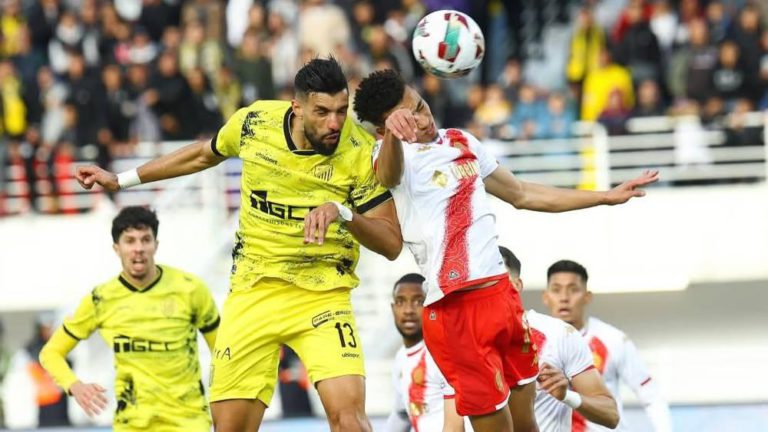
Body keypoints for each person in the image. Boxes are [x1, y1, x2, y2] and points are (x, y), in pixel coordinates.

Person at [75, 57, 402, 432]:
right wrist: (121, 180)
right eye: (322, 112)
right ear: (297, 107)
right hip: (252, 293)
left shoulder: (358, 149)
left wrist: (342, 213)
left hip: (323, 297)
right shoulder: (255, 123)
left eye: (342, 111)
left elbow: (391, 243)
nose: (335, 123)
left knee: (350, 421)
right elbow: (202, 154)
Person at [352, 69, 658, 432]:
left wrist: (604, 196)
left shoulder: (461, 141)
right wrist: (394, 136)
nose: (422, 118)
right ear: (383, 130)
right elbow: (387, 175)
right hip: (455, 311)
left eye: (419, 106)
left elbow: (522, 194)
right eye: (408, 118)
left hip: (501, 296)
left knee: (527, 425)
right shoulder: (389, 157)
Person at [38, 206, 221, 431]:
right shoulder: (102, 299)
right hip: (132, 425)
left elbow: (222, 352)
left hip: (189, 422)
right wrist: (74, 385)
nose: (139, 248)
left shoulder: (190, 289)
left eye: (145, 240)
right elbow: (51, 353)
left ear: (156, 245)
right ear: (117, 248)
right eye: (130, 241)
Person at [542, 260, 673, 432]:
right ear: (546, 297)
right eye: (556, 290)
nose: (564, 298)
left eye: (573, 290)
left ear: (587, 296)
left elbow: (650, 395)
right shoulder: (531, 342)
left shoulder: (614, 340)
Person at [498, 247, 618, 432]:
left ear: (516, 285)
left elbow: (611, 415)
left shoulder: (560, 334)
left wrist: (566, 396)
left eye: (494, 282)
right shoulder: (457, 342)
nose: (483, 292)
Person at [384, 273, 467, 432]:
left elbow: (463, 419)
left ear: (431, 305)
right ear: (393, 308)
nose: (408, 310)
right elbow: (401, 415)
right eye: (401, 302)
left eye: (418, 302)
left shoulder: (443, 354)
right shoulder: (401, 357)